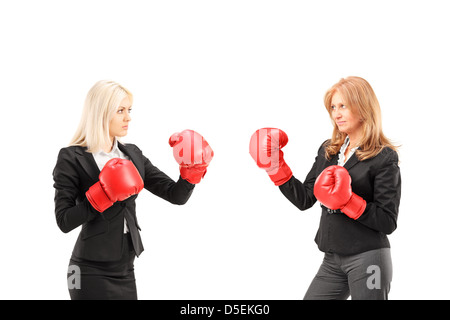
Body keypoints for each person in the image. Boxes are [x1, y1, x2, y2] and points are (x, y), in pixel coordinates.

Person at [53, 80, 213, 300]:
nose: (128, 117)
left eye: (129, 110)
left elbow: (176, 196)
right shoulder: (71, 157)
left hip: (125, 269)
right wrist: (103, 194)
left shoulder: (133, 154)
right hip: (87, 271)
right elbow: (64, 221)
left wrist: (192, 170)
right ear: (100, 113)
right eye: (120, 111)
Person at [249, 76, 401, 300]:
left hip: (369, 258)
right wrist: (275, 168)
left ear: (363, 107)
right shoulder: (329, 150)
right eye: (333, 107)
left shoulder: (383, 156)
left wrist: (349, 201)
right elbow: (305, 199)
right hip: (332, 260)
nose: (336, 114)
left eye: (343, 106)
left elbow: (388, 221)